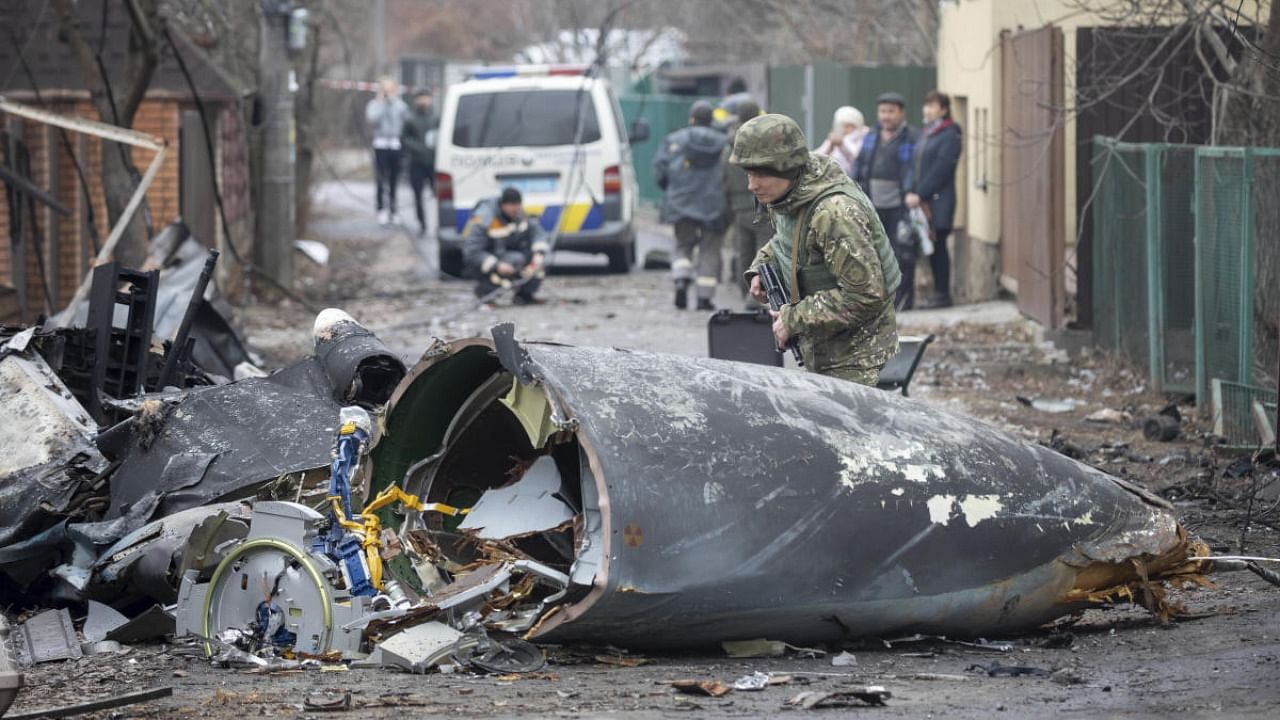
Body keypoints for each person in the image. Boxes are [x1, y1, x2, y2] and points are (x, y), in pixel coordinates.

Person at [732, 113, 900, 386]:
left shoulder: (834, 213)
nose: (752, 185)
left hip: (855, 357)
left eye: (761, 174)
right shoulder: (792, 194)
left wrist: (793, 319)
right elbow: (788, 241)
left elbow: (865, 296)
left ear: (785, 167)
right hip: (823, 347)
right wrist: (761, 267)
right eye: (749, 173)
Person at [653, 100, 728, 310]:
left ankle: (681, 277)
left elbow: (660, 170)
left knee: (683, 244)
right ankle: (704, 298)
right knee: (709, 249)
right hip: (713, 204)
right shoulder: (723, 143)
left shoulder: (674, 140)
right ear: (711, 120)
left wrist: (671, 190)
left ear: (691, 119)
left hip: (681, 202)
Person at [851, 92, 919, 309]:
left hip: (901, 206)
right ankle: (880, 299)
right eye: (883, 111)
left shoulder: (912, 137)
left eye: (891, 111)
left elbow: (915, 171)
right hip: (873, 205)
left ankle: (904, 301)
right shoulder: (872, 136)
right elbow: (860, 166)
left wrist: (911, 192)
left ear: (901, 113)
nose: (886, 116)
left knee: (903, 254)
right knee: (875, 253)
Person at [906, 90, 962, 308]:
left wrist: (920, 193)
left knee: (938, 248)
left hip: (939, 201)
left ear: (944, 109)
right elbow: (915, 165)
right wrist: (912, 191)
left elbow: (942, 168)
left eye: (933, 106)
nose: (927, 110)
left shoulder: (951, 133)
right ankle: (936, 292)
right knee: (930, 247)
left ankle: (942, 294)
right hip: (922, 201)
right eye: (925, 105)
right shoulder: (928, 132)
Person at [721, 98, 770, 307]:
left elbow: (723, 176)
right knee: (764, 249)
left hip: (739, 206)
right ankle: (758, 295)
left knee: (743, 251)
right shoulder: (763, 141)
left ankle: (744, 292)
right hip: (762, 203)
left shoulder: (729, 144)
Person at [462, 188, 549, 305]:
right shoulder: (484, 217)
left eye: (518, 205)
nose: (516, 209)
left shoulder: (519, 214)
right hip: (490, 261)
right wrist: (496, 265)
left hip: (510, 255)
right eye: (512, 205)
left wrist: (538, 255)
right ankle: (485, 293)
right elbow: (471, 251)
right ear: (503, 205)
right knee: (516, 260)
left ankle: (525, 295)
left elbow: (537, 232)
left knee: (538, 263)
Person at [365, 76, 410, 226]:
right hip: (381, 144)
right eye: (385, 89)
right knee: (380, 178)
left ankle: (393, 209)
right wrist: (382, 103)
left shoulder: (400, 105)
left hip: (395, 144)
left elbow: (405, 121)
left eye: (390, 89)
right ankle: (381, 209)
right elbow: (372, 119)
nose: (388, 92)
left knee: (393, 179)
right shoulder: (375, 104)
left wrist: (392, 103)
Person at [401, 90, 439, 237]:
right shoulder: (410, 119)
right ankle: (422, 224)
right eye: (421, 98)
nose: (423, 101)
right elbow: (404, 138)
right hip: (416, 163)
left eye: (426, 98)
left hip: (434, 163)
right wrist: (417, 148)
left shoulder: (436, 118)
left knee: (439, 196)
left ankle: (439, 224)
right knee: (418, 195)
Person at [813, 106, 868, 177]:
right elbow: (816, 158)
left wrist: (842, 145)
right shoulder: (835, 138)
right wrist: (831, 146)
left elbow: (858, 160)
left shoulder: (864, 138)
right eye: (843, 126)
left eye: (849, 126)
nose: (845, 129)